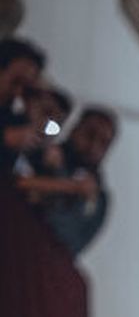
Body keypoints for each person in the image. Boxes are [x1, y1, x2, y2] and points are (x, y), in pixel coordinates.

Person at [15, 107, 116, 255]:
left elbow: (68, 242)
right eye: (90, 134)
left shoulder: (98, 199)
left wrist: (59, 177)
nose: (94, 146)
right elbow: (13, 184)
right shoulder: (37, 154)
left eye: (103, 142)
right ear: (75, 129)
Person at [0, 37, 44, 167]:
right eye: (15, 81)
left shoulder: (13, 118)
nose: (18, 92)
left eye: (26, 87)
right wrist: (4, 138)